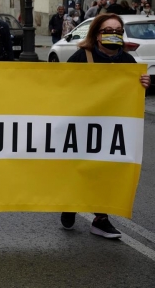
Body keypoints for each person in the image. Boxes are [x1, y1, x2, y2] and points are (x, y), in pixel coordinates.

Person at [60, 13, 150, 238]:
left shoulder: (128, 63)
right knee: (80, 168)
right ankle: (70, 203)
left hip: (112, 128)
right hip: (81, 125)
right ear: (97, 35)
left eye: (118, 31)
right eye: (108, 31)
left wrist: (143, 84)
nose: (114, 35)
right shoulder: (82, 57)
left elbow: (132, 94)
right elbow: (61, 88)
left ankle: (100, 218)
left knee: (106, 170)